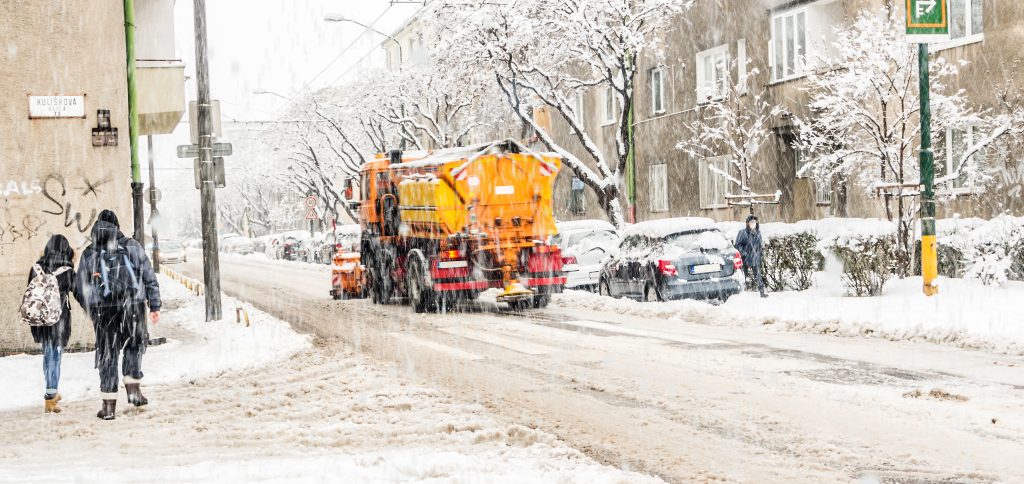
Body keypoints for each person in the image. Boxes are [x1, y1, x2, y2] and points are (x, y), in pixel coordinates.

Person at [77, 210, 161, 420]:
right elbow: (149, 276)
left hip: (105, 312)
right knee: (134, 347)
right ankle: (133, 394)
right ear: (117, 225)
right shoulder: (131, 246)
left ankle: (108, 407)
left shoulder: (90, 252)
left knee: (107, 355)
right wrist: (154, 305)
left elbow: (80, 287)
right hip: (133, 306)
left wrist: (92, 309)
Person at [27, 235, 78, 413]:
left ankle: (51, 389)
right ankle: (50, 396)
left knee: (48, 354)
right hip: (59, 319)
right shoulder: (67, 269)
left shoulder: (36, 268)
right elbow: (79, 292)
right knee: (55, 355)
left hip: (40, 320)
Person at [735, 214, 767, 298]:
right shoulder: (742, 233)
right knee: (743, 276)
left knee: (758, 276)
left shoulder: (758, 233)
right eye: (751, 222)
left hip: (755, 258)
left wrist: (760, 255)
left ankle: (762, 292)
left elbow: (760, 245)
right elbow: (737, 245)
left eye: (755, 222)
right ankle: (739, 293)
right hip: (745, 259)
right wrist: (744, 253)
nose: (753, 224)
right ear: (747, 223)